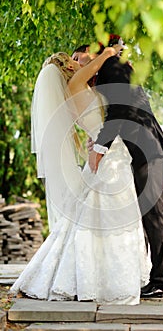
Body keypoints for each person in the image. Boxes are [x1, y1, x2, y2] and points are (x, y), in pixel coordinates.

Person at [10, 47, 150, 304]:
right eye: (73, 60)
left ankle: (93, 278)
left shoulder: (71, 93)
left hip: (106, 150)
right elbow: (96, 80)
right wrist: (108, 52)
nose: (78, 63)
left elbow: (94, 122)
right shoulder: (76, 83)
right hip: (110, 155)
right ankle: (104, 282)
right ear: (67, 68)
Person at [72, 35, 163, 298]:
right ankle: (157, 278)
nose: (75, 63)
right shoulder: (108, 68)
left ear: (90, 52)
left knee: (154, 213)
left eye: (77, 57)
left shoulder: (110, 67)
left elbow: (121, 110)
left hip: (146, 145)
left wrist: (100, 148)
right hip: (142, 147)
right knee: (148, 213)